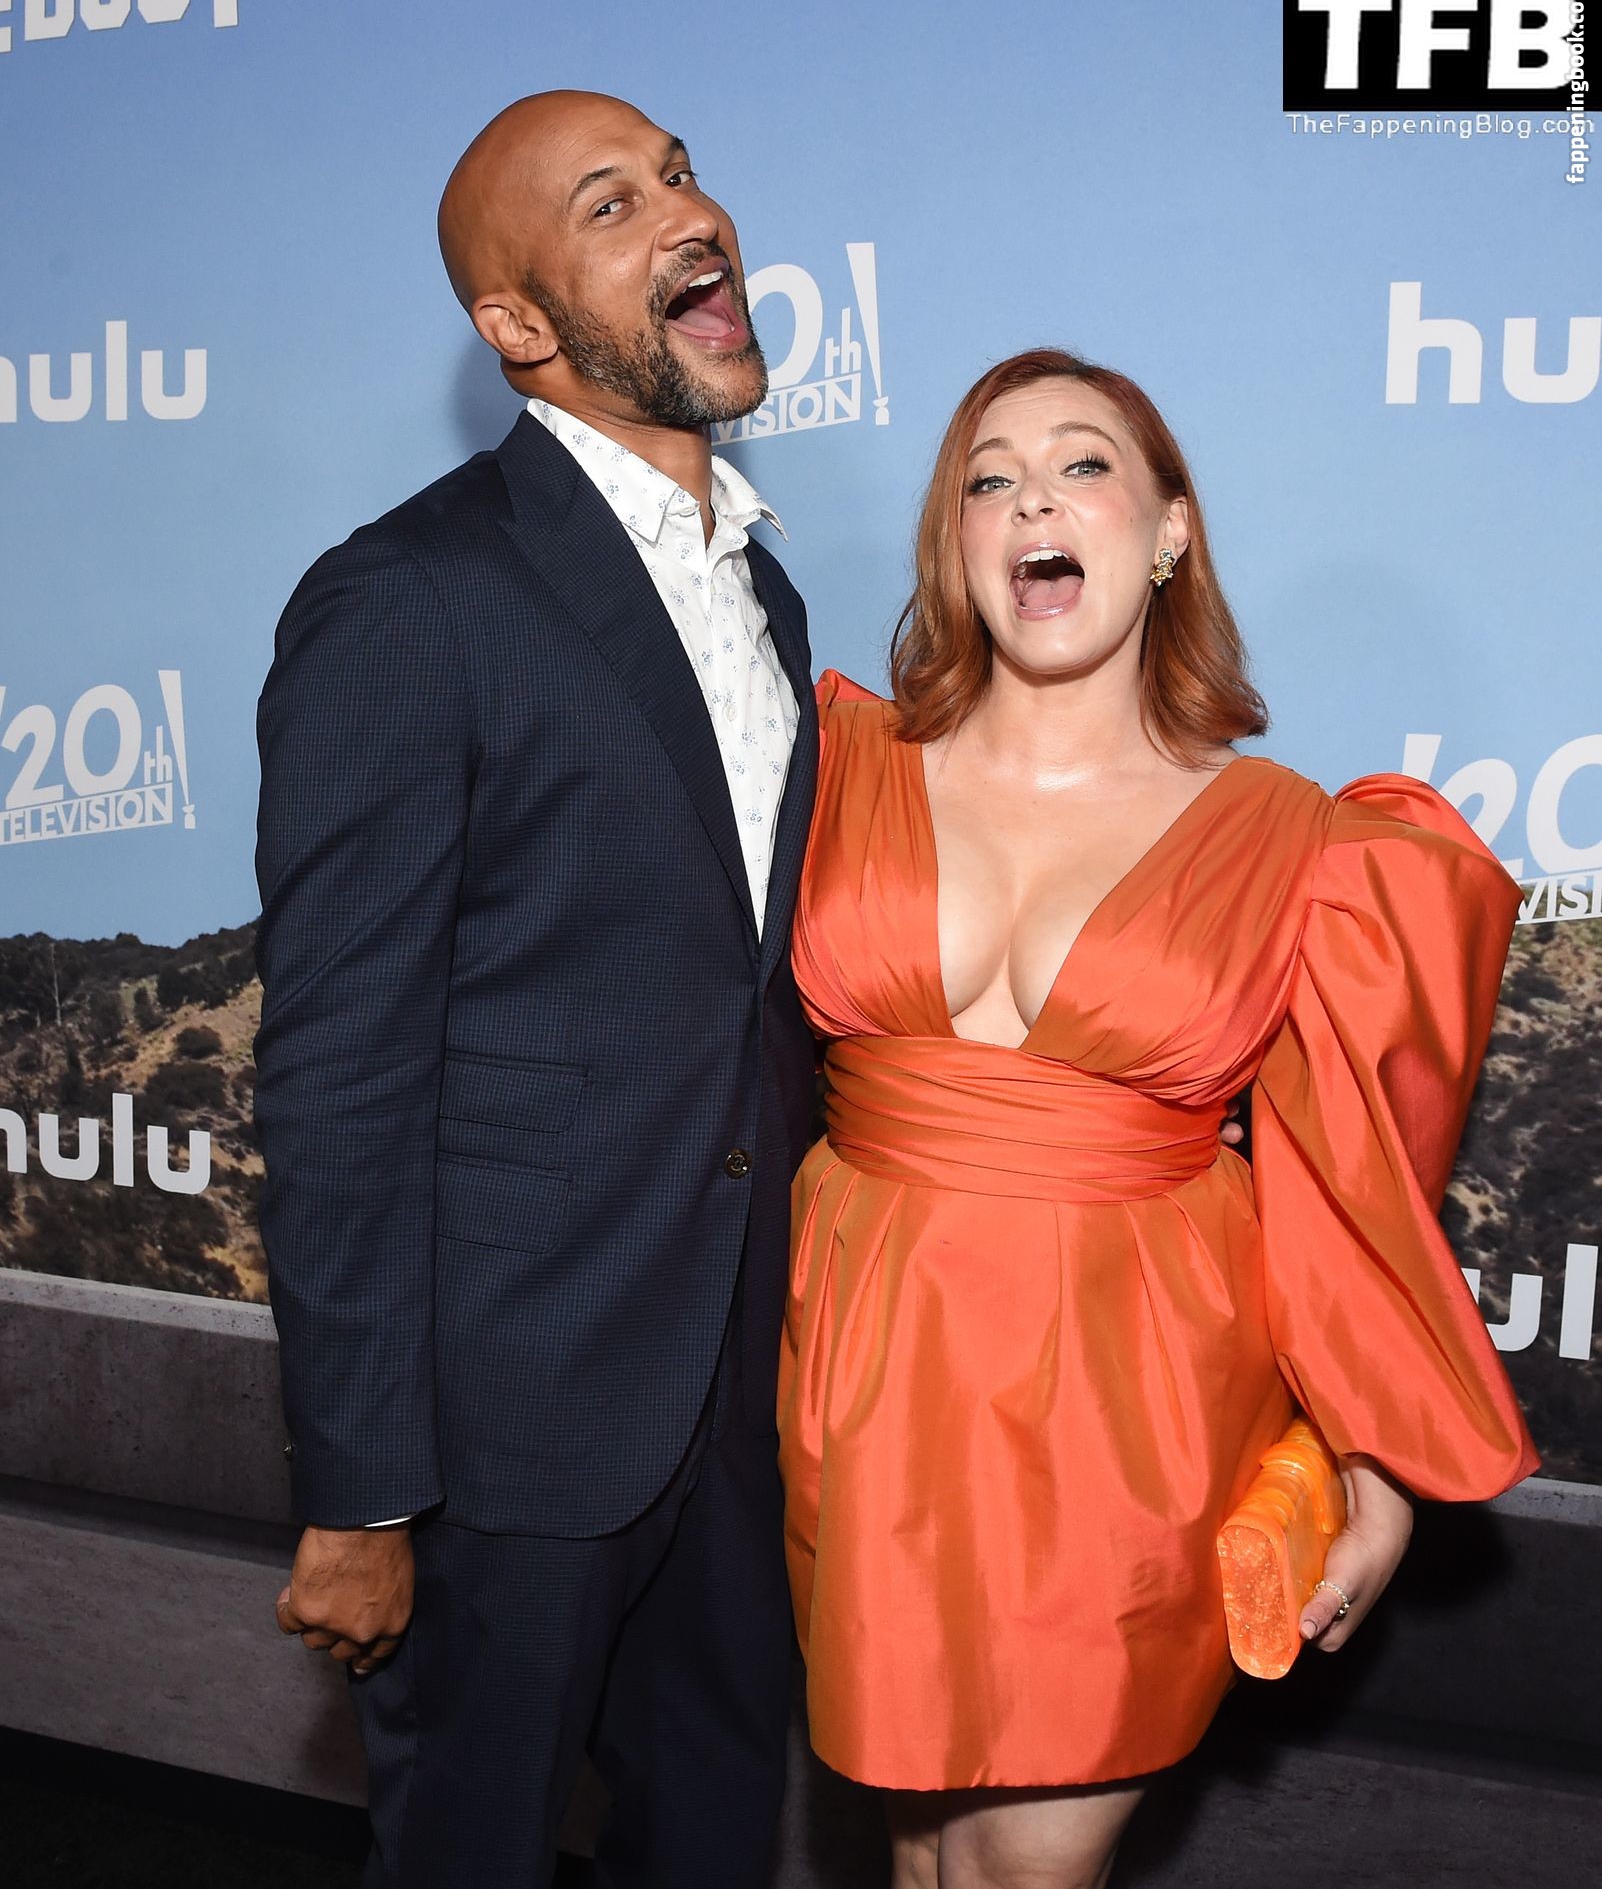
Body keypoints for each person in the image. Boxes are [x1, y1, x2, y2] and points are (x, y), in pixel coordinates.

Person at [777, 346, 1540, 1889]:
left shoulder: (1302, 844)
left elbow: (1355, 1186)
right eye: (988, 478)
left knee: (1026, 1870)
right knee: (916, 1863)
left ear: (1169, 531)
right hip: (862, 1372)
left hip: (1123, 1398)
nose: (1032, 500)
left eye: (1082, 464)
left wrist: (1373, 1470)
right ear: (955, 541)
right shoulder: (831, 760)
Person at [252, 91, 820, 1887]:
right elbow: (338, 1072)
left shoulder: (768, 597)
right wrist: (361, 1489)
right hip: (504, 1438)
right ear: (515, 325)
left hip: (740, 1408)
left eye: (679, 172)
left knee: (713, 1849)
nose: (686, 213)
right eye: (609, 204)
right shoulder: (407, 598)